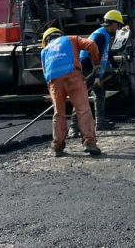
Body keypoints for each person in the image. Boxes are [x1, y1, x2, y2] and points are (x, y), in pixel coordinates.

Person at [40, 27, 102, 157]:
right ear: (59, 35)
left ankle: (58, 146)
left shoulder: (44, 51)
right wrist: (96, 64)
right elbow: (91, 44)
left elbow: (45, 72)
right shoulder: (71, 39)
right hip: (73, 74)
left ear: (46, 40)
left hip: (54, 80)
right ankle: (89, 143)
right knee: (83, 109)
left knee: (59, 113)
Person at [68, 10, 124, 138]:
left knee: (99, 93)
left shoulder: (104, 34)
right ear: (113, 23)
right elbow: (94, 56)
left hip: (94, 69)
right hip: (89, 68)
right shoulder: (100, 36)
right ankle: (73, 128)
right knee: (82, 97)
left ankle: (100, 122)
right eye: (118, 25)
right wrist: (97, 76)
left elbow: (106, 53)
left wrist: (115, 67)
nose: (118, 28)